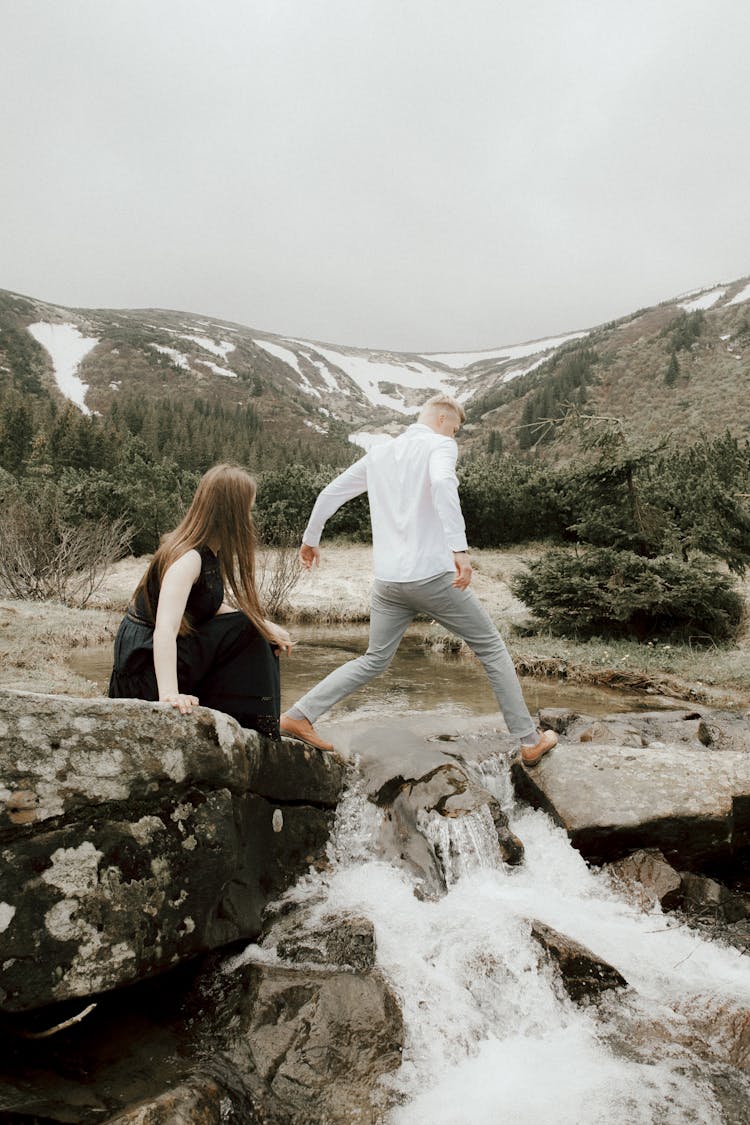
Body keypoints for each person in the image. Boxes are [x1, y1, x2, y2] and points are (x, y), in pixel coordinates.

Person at [280, 394, 557, 766]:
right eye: (456, 428)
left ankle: (298, 715)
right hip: (432, 576)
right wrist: (459, 549)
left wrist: (310, 540)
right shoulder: (441, 445)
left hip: (388, 583)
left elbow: (331, 493)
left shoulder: (379, 454)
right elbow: (443, 485)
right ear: (443, 419)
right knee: (490, 647)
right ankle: (528, 740)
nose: (455, 434)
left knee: (374, 659)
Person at [109, 463, 292, 739]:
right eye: (248, 510)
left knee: (252, 630)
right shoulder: (189, 558)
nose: (250, 519)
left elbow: (206, 604)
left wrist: (263, 624)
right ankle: (256, 731)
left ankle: (248, 727)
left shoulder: (208, 552)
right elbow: (165, 629)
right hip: (144, 671)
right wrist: (169, 695)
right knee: (246, 632)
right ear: (231, 514)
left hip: (154, 657)